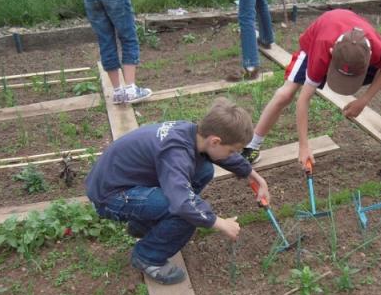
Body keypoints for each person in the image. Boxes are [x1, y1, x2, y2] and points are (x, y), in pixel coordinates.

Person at [85, 98, 270, 284]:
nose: (232, 155)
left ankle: (144, 226)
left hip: (122, 181)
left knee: (203, 170)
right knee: (186, 213)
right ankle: (147, 256)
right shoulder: (176, 153)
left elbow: (220, 156)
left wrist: (255, 177)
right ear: (215, 141)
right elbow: (183, 204)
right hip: (110, 196)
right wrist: (220, 223)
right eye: (232, 151)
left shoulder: (192, 133)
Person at [241, 9, 381, 167]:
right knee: (285, 94)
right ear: (332, 57)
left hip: (353, 50)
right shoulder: (322, 52)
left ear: (368, 60)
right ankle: (252, 146)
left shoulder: (377, 47)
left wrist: (363, 101)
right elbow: (303, 100)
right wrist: (304, 146)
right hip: (315, 45)